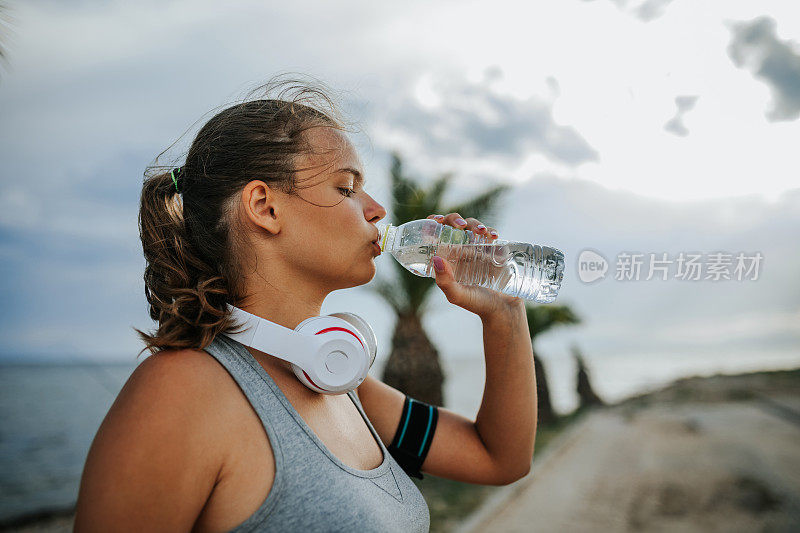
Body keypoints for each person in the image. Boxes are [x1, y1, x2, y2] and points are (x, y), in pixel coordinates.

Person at [74, 77, 537, 532]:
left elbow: (499, 458)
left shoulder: (343, 385)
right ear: (265, 206)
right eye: (346, 188)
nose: (377, 210)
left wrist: (504, 313)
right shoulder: (180, 391)